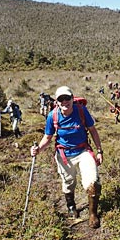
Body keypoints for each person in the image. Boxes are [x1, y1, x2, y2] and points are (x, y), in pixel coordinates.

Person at [30, 86, 103, 229]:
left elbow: (93, 131)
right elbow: (48, 137)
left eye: (67, 98)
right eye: (61, 99)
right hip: (64, 155)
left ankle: (93, 214)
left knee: (93, 182)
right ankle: (71, 206)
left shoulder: (81, 111)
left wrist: (99, 151)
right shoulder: (53, 115)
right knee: (69, 182)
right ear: (56, 102)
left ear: (72, 98)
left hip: (83, 151)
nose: (64, 102)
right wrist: (38, 149)